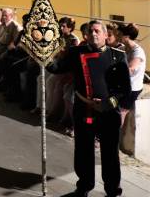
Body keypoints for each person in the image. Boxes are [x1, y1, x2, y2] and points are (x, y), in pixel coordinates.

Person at [46, 21, 131, 197]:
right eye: (90, 31)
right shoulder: (76, 53)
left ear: (106, 35)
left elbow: (124, 89)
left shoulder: (117, 56)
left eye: (97, 31)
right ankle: (84, 186)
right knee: (83, 151)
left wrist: (108, 103)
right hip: (84, 110)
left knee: (110, 155)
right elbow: (56, 68)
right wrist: (43, 54)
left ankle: (112, 189)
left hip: (108, 113)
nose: (93, 34)